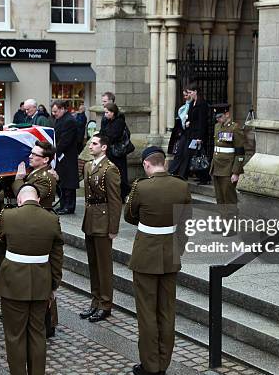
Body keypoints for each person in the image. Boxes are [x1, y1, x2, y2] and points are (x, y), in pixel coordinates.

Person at [124, 146, 191, 375]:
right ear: (165, 163)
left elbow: (129, 215)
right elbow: (185, 223)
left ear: (146, 164)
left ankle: (150, 365)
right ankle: (163, 363)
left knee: (147, 313)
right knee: (166, 311)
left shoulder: (141, 187)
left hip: (145, 255)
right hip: (170, 255)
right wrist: (177, 248)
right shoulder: (181, 186)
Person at [0, 185, 63, 375]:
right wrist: (54, 284)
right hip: (42, 281)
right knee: (38, 333)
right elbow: (57, 257)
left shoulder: (7, 216)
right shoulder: (52, 219)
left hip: (13, 281)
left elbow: (0, 244)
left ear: (19, 200)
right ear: (38, 199)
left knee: (14, 334)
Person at [12, 140, 59, 336]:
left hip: (41, 225)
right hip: (35, 221)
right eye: (31, 153)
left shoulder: (45, 178)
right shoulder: (37, 173)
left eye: (35, 155)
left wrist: (18, 179)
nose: (30, 157)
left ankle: (48, 323)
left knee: (44, 274)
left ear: (46, 160)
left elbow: (24, 195)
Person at [79, 134, 121, 323]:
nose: (90, 146)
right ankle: (95, 300)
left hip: (103, 221)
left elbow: (115, 200)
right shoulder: (89, 165)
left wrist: (113, 228)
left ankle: (105, 304)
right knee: (93, 264)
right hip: (91, 219)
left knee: (104, 266)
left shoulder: (110, 169)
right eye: (90, 143)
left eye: (94, 144)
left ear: (103, 147)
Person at [209, 104, 246, 206]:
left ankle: (231, 220)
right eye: (216, 117)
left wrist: (236, 172)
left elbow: (240, 153)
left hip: (228, 168)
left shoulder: (235, 128)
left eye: (220, 117)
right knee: (219, 198)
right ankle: (223, 219)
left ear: (227, 114)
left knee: (229, 198)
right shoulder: (217, 126)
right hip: (217, 167)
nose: (218, 119)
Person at [52, 100, 79, 215]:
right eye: (53, 111)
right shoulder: (61, 119)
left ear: (63, 109)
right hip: (61, 155)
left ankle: (69, 206)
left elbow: (65, 141)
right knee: (62, 181)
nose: (54, 113)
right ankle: (63, 205)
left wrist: (54, 150)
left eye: (56, 111)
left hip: (68, 156)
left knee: (68, 183)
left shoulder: (69, 121)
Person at [100, 103, 130, 201]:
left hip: (117, 153)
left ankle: (123, 194)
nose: (105, 115)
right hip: (110, 152)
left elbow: (112, 136)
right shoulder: (107, 121)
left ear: (113, 112)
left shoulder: (119, 122)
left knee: (120, 174)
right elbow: (103, 133)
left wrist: (104, 136)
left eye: (107, 112)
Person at [185, 83, 210, 185]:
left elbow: (202, 121)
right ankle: (200, 174)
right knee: (194, 155)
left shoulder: (202, 103)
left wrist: (200, 137)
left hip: (199, 134)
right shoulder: (192, 103)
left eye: (190, 92)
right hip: (192, 133)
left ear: (196, 91)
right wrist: (188, 122)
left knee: (200, 155)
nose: (189, 94)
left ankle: (205, 176)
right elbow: (192, 117)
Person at [168, 90, 191, 177]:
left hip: (190, 133)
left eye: (186, 95)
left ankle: (202, 175)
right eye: (184, 95)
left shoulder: (192, 105)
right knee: (180, 153)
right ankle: (173, 171)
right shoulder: (183, 108)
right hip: (183, 133)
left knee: (187, 154)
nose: (184, 97)